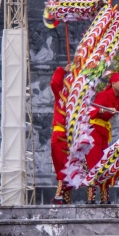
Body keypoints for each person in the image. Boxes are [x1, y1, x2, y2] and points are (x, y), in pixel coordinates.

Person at [87, 72, 119, 204]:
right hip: (94, 133)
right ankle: (91, 198)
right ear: (113, 83)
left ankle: (104, 197)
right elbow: (92, 110)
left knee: (104, 163)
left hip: (103, 133)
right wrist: (103, 110)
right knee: (94, 163)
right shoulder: (103, 95)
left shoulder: (118, 100)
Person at [49, 66, 70, 205]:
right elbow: (54, 83)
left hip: (72, 138)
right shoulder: (62, 95)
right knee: (62, 167)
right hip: (60, 135)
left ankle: (61, 197)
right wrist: (62, 70)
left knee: (67, 168)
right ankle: (62, 198)